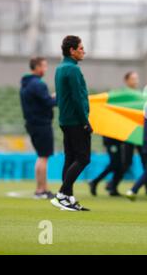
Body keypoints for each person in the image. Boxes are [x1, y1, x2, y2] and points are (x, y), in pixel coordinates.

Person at [50, 35, 92, 212]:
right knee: (83, 158)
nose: (83, 51)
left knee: (70, 158)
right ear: (72, 50)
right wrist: (85, 122)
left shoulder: (60, 68)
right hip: (76, 120)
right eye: (80, 48)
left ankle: (68, 198)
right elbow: (76, 97)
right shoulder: (73, 69)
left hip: (65, 119)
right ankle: (61, 194)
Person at [20, 57, 57, 199]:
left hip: (32, 123)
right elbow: (48, 102)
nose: (45, 69)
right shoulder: (38, 84)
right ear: (36, 67)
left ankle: (41, 189)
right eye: (44, 66)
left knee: (41, 157)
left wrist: (50, 98)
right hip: (41, 123)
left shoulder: (26, 83)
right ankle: (41, 190)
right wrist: (58, 98)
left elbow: (41, 101)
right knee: (43, 157)